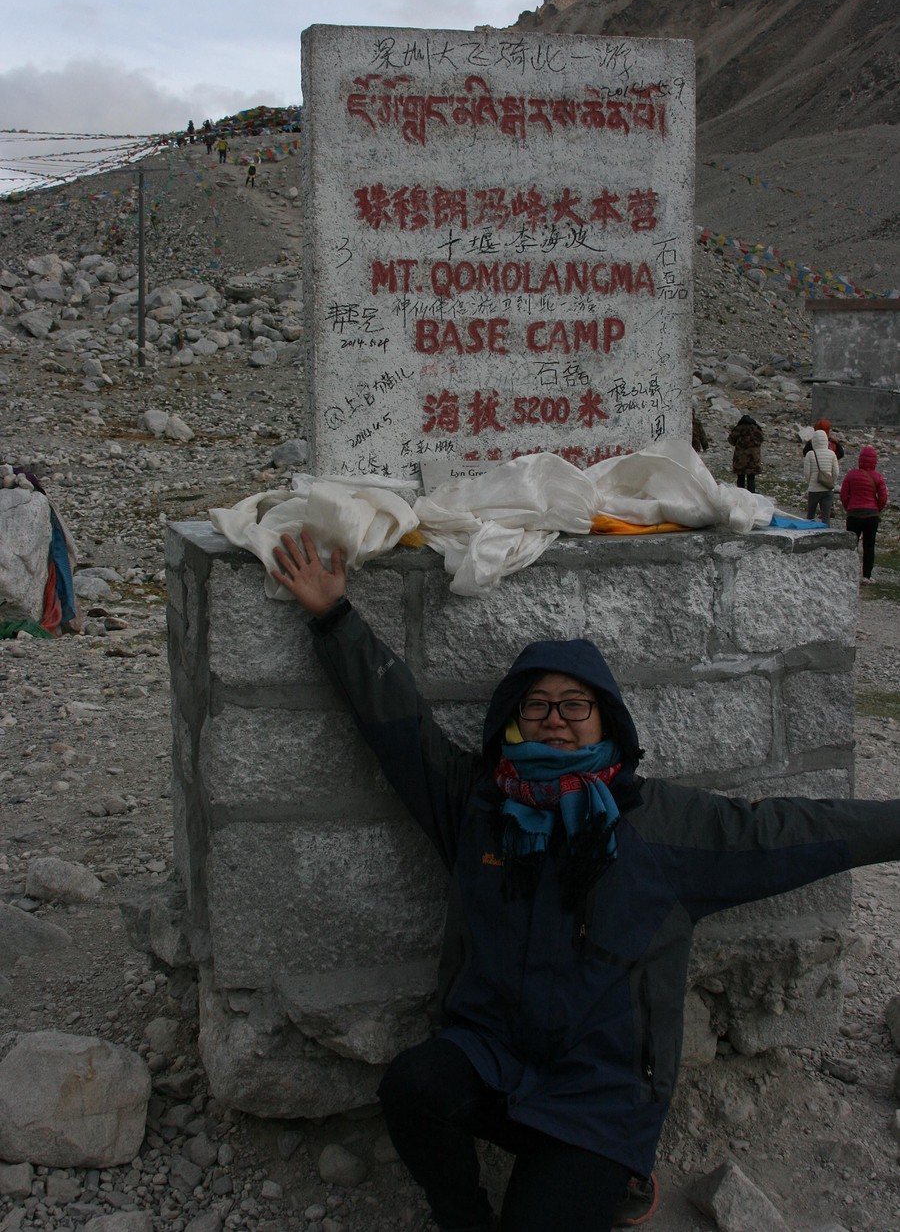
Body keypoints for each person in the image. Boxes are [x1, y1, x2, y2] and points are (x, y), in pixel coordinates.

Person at [270, 530, 900, 1232]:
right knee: (413, 1087)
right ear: (513, 723)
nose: (555, 720)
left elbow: (791, 832)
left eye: (576, 705)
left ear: (606, 721)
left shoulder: (663, 828)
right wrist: (335, 617)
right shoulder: (479, 807)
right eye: (536, 706)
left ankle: (616, 1177)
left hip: (600, 1096)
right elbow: (398, 729)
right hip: (493, 1058)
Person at [840, 445, 889, 583]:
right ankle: (866, 576)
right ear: (874, 461)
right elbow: (883, 498)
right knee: (869, 546)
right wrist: (876, 509)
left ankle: (850, 573)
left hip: (853, 515)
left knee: (851, 545)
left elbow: (843, 495)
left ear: (860, 459)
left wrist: (849, 508)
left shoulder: (851, 475)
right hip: (871, 516)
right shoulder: (878, 477)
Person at [803, 426, 840, 524]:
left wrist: (810, 482)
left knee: (810, 515)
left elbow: (807, 473)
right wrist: (831, 481)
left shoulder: (810, 454)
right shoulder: (832, 454)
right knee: (826, 516)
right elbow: (836, 472)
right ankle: (826, 531)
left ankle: (809, 531)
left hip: (814, 489)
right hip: (827, 489)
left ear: (814, 441)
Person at [727, 414, 763, 491]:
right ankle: (752, 494)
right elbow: (761, 439)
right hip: (753, 457)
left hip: (740, 457)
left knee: (740, 478)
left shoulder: (738, 428)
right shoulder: (756, 429)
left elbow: (731, 440)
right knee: (751, 478)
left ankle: (741, 494)